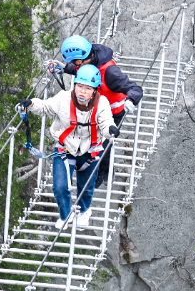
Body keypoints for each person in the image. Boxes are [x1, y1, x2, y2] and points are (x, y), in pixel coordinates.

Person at [19, 65, 116, 230]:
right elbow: (45, 107)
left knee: (86, 188)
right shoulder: (63, 99)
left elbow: (106, 122)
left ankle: (84, 211)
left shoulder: (102, 104)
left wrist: (110, 130)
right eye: (80, 86)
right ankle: (65, 215)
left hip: (90, 151)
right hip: (65, 149)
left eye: (88, 88)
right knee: (60, 187)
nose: (82, 91)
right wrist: (31, 103)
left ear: (94, 90)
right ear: (75, 85)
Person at [53, 35, 143, 187]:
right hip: (94, 109)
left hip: (113, 111)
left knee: (103, 142)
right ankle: (92, 167)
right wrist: (64, 68)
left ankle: (106, 171)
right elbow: (78, 70)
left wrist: (131, 100)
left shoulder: (110, 72)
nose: (74, 65)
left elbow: (135, 88)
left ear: (82, 59)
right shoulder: (86, 60)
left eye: (74, 62)